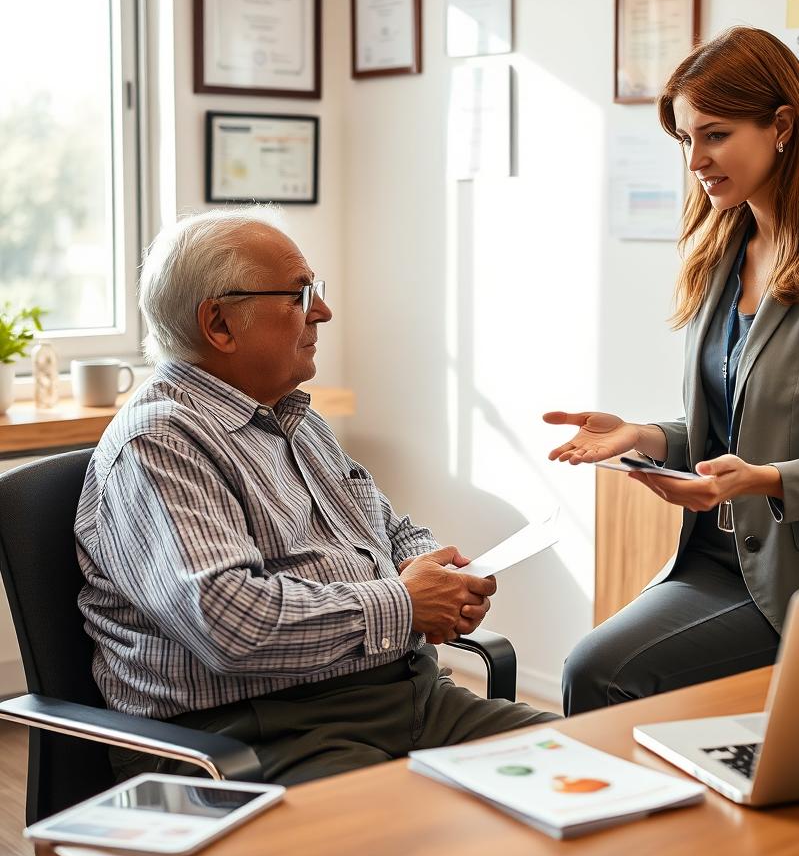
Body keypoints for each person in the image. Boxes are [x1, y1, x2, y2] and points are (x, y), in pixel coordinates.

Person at [76, 208, 556, 786]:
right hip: (252, 733)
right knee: (419, 849)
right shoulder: (159, 442)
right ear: (220, 325)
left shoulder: (294, 417)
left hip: (408, 700)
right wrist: (405, 604)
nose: (322, 312)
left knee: (592, 770)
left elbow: (386, 526)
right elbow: (230, 625)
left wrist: (437, 574)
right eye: (300, 295)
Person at [546, 27, 799, 716]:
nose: (695, 160)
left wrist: (766, 480)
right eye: (686, 140)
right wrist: (642, 437)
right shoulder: (725, 247)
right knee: (592, 667)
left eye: (713, 135)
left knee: (604, 674)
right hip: (720, 559)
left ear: (780, 126)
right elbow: (736, 430)